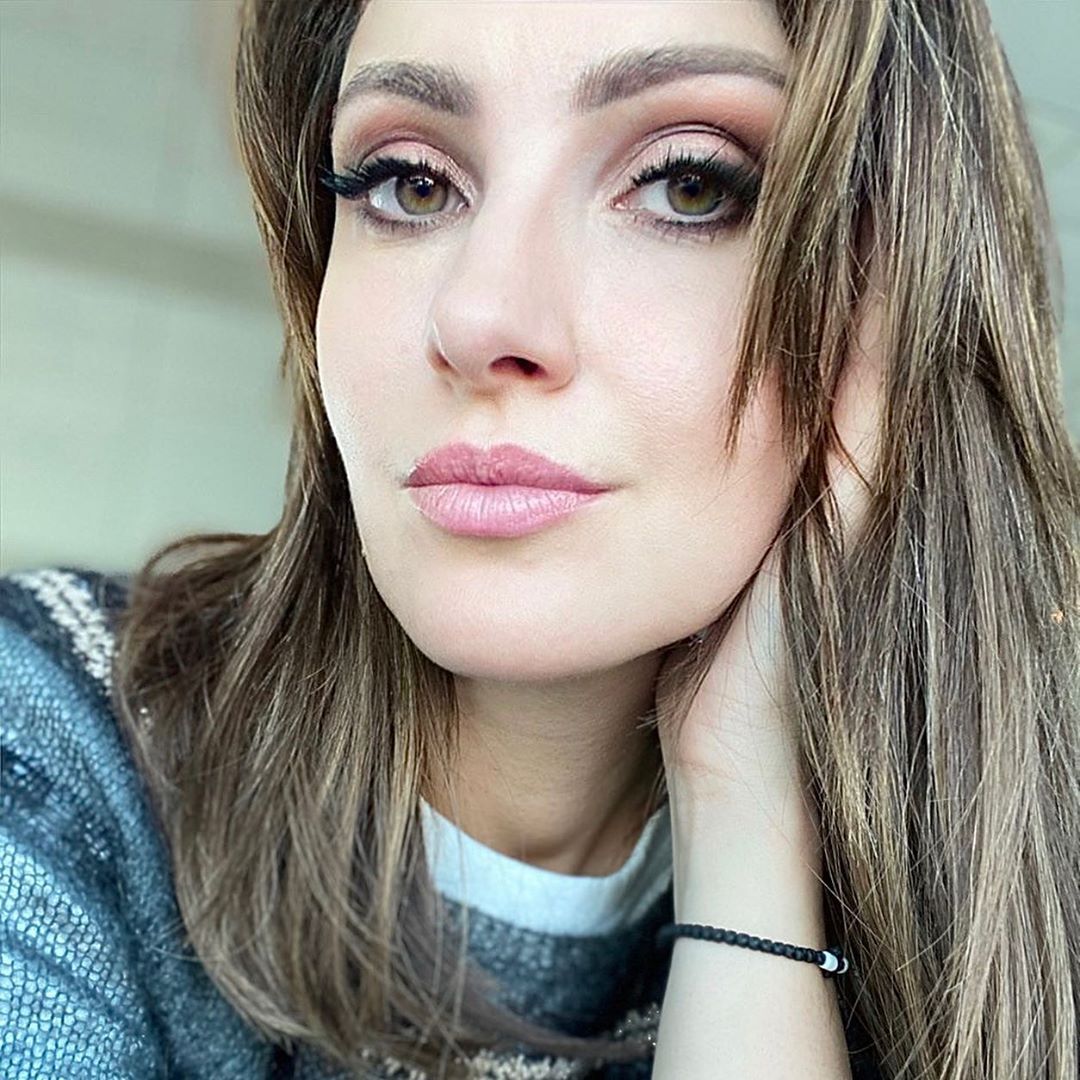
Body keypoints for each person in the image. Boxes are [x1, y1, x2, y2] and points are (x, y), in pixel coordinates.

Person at [1, 0, 1077, 1076]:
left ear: (890, 312)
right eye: (410, 182)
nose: (480, 319)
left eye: (686, 183)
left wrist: (748, 820)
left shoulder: (997, 924)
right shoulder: (47, 748)